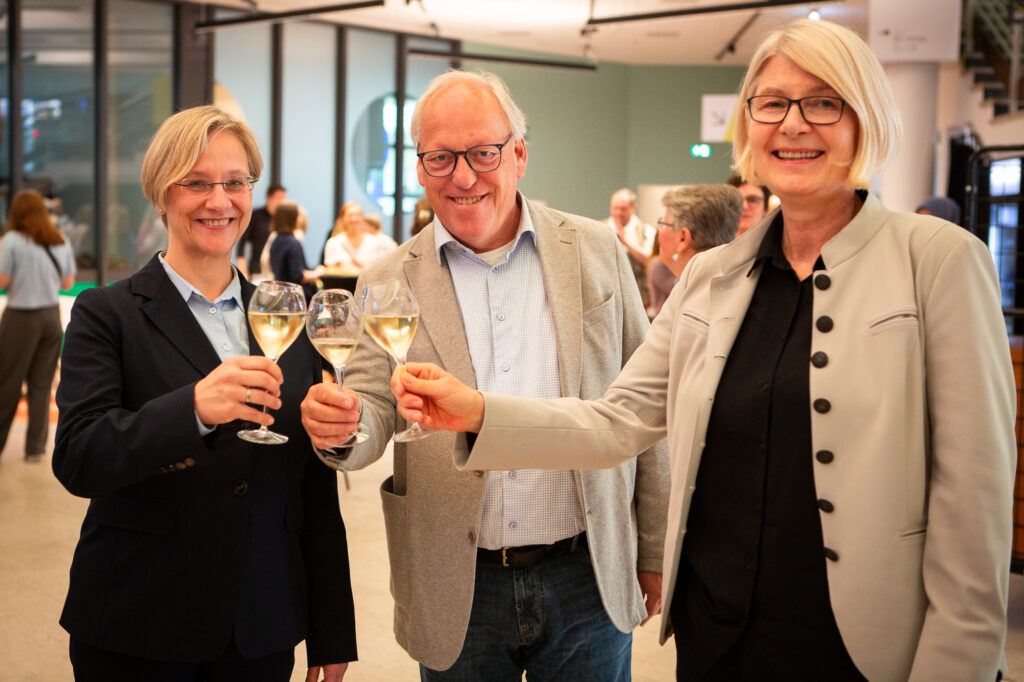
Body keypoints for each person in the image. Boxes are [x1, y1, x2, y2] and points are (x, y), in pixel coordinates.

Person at [390, 20, 1016, 682]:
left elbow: (971, 509)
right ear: (747, 126)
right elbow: (615, 419)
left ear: (866, 117)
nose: (793, 124)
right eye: (771, 103)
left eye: (823, 102)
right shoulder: (713, 277)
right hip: (721, 642)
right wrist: (479, 412)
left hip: (862, 648)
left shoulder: (940, 263)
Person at [301, 69, 669, 680]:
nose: (463, 176)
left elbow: (644, 408)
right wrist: (342, 426)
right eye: (441, 158)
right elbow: (371, 406)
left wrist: (653, 547)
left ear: (519, 154)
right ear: (420, 168)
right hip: (456, 579)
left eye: (482, 153)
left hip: (586, 570)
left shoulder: (596, 249)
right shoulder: (388, 278)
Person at [52, 105, 356, 681]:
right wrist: (190, 409)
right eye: (195, 183)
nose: (220, 201)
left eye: (236, 182)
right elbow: (79, 457)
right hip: (136, 624)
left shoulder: (286, 317)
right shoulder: (106, 313)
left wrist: (331, 628)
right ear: (161, 195)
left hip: (261, 629)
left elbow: (312, 491)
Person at [0, 189, 76, 461]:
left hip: (20, 317)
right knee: (42, 385)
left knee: (7, 383)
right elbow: (67, 283)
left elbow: (2, 280)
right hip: (50, 318)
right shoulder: (60, 240)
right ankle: (35, 450)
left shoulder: (11, 240)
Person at [647, 184, 742, 318]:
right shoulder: (725, 291)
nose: (659, 232)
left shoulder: (695, 308)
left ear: (683, 237)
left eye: (664, 224)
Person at [607, 187, 656, 306]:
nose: (619, 213)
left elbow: (650, 260)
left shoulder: (646, 231)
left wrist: (627, 244)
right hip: (609, 298)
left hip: (639, 299)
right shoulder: (601, 228)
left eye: (623, 209)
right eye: (615, 208)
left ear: (634, 207)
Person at [269, 202, 323, 301]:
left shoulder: (276, 240)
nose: (300, 219)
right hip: (295, 297)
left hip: (280, 295)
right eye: (297, 216)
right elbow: (298, 276)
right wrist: (317, 272)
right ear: (291, 218)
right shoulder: (293, 243)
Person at [236, 182, 286, 279]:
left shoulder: (282, 220)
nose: (282, 202)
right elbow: (242, 243)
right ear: (270, 198)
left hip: (277, 273)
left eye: (284, 199)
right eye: (279, 198)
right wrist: (242, 269)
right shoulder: (256, 216)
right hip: (257, 271)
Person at [323, 201, 382, 272]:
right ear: (342, 218)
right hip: (343, 282)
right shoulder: (334, 242)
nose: (354, 219)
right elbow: (331, 271)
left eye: (357, 215)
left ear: (362, 217)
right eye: (350, 215)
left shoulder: (373, 241)